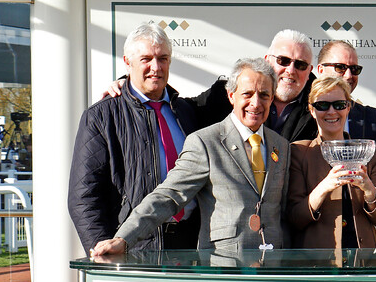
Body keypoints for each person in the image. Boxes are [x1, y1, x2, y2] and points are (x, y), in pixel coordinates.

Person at [90, 58, 290, 256]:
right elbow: (169, 196)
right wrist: (124, 239)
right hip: (224, 266)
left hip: (272, 266)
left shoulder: (281, 146)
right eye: (247, 94)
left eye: (264, 95)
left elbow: (281, 212)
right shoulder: (206, 142)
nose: (256, 103)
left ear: (272, 98)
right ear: (231, 96)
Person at [69, 22, 199, 252]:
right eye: (146, 59)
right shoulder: (102, 116)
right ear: (127, 62)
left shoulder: (187, 112)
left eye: (163, 58)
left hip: (190, 244)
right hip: (133, 248)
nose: (156, 67)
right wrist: (103, 252)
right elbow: (84, 196)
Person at [105, 29, 319, 142]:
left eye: (300, 64)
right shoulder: (225, 92)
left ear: (310, 70)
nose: (290, 70)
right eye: (283, 60)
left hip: (294, 216)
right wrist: (131, 84)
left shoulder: (322, 105)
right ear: (268, 59)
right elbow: (182, 108)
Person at [286, 77, 376, 248]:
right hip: (319, 264)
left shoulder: (369, 154)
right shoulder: (299, 153)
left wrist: (369, 189)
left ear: (348, 107)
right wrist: (324, 187)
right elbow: (294, 218)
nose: (331, 111)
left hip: (362, 261)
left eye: (339, 105)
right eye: (322, 105)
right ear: (312, 110)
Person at [316, 41, 376, 151]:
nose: (348, 76)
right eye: (340, 67)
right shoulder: (301, 115)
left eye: (354, 69)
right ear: (321, 70)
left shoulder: (371, 116)